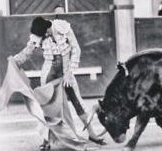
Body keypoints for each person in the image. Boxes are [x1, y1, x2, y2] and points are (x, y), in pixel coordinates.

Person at [12, 16, 104, 148]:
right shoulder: (39, 33)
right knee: (47, 106)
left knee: (77, 101)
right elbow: (28, 51)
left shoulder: (62, 27)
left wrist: (69, 72)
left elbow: (76, 49)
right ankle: (46, 140)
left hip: (66, 70)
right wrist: (16, 61)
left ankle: (92, 133)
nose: (44, 37)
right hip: (49, 71)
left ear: (48, 27)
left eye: (45, 33)